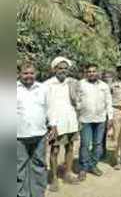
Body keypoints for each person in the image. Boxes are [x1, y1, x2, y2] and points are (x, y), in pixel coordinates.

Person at [17, 62, 57, 197]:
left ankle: (38, 193)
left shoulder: (43, 88)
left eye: (31, 73)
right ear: (19, 74)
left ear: (36, 74)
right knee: (19, 166)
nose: (29, 76)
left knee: (39, 164)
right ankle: (22, 193)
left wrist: (53, 124)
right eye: (25, 73)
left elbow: (50, 108)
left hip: (40, 134)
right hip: (18, 135)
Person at [45, 57, 80, 192]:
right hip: (55, 123)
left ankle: (67, 173)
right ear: (54, 69)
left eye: (65, 68)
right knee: (54, 150)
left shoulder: (71, 83)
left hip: (71, 121)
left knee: (70, 147)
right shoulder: (48, 85)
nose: (63, 71)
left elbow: (77, 100)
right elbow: (46, 106)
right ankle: (54, 178)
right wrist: (51, 123)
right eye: (60, 68)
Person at [76, 63, 113, 181]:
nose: (92, 73)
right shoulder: (80, 84)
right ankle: (83, 168)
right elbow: (76, 101)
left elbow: (108, 102)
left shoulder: (104, 86)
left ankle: (93, 165)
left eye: (94, 71)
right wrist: (78, 116)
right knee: (85, 144)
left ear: (98, 72)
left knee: (98, 145)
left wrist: (110, 117)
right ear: (86, 73)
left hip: (100, 119)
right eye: (89, 71)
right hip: (85, 119)